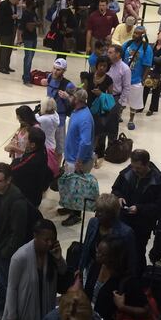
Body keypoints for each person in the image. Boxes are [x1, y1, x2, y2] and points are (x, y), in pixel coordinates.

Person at [0, 163, 29, 315]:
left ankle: (10, 310)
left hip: (4, 248)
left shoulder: (17, 202)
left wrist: (5, 252)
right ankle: (1, 300)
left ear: (8, 180)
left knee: (8, 281)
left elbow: (17, 234)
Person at [3, 219, 68, 320]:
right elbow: (12, 288)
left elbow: (63, 271)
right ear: (35, 236)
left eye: (52, 240)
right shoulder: (20, 257)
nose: (50, 243)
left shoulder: (51, 253)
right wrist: (12, 316)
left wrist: (59, 259)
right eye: (46, 240)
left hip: (46, 308)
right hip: (25, 312)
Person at [111, 149, 161, 270]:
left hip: (142, 225)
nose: (134, 170)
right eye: (133, 166)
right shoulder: (127, 172)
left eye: (138, 168)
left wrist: (139, 209)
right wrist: (119, 197)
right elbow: (115, 188)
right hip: (123, 220)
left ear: (147, 164)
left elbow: (159, 206)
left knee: (137, 253)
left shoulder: (158, 181)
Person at [90, 236, 150, 320]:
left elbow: (146, 311)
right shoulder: (96, 266)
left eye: (101, 254)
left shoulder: (128, 281)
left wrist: (123, 307)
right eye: (97, 251)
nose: (97, 255)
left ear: (113, 258)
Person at [79, 193, 138, 279]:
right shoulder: (93, 222)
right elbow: (86, 248)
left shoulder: (126, 233)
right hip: (91, 269)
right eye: (97, 210)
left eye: (101, 212)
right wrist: (80, 269)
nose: (97, 214)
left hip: (112, 276)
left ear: (112, 214)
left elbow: (131, 262)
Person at [61, 88, 95, 226]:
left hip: (77, 160)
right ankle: (69, 207)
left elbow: (86, 142)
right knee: (70, 185)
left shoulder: (85, 118)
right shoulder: (77, 112)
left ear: (78, 100)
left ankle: (76, 214)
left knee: (77, 188)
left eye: (72, 97)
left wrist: (79, 160)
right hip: (71, 156)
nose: (70, 98)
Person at [40, 58, 77, 159]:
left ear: (64, 71)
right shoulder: (50, 77)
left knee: (59, 147)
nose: (55, 71)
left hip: (59, 118)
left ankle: (57, 169)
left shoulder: (68, 85)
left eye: (58, 70)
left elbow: (77, 99)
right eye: (54, 68)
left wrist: (68, 97)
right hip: (47, 115)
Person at [86, 56, 119, 163]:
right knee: (89, 131)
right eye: (100, 65)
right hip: (89, 108)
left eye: (105, 66)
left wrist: (101, 94)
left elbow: (111, 97)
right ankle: (87, 152)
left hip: (101, 110)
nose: (102, 68)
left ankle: (97, 154)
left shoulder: (109, 80)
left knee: (98, 133)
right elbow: (84, 90)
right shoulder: (90, 76)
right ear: (97, 65)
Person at [11, 127, 52, 207]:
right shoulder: (41, 149)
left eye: (25, 139)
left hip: (28, 198)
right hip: (34, 192)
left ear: (32, 144)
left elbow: (13, 169)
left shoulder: (32, 160)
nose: (23, 141)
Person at [121, 26, 153, 130]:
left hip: (136, 80)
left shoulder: (146, 48)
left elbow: (147, 65)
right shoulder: (128, 44)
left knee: (134, 102)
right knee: (121, 100)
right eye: (134, 33)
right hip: (124, 78)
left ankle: (131, 120)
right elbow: (120, 56)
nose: (134, 35)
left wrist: (143, 79)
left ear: (142, 35)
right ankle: (119, 115)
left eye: (137, 33)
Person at [143, 29, 161, 116]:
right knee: (146, 89)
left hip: (160, 72)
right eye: (159, 33)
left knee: (156, 91)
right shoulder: (153, 45)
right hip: (151, 70)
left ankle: (152, 109)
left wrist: (152, 58)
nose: (159, 35)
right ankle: (141, 106)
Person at [0, 0, 21, 74]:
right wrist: (11, 17)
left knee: (10, 48)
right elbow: (0, 18)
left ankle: (7, 66)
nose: (16, 4)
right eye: (16, 1)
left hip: (12, 29)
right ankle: (2, 67)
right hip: (4, 30)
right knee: (4, 49)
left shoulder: (13, 5)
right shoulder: (3, 5)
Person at [107, 44, 132, 119]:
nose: (108, 54)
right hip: (103, 96)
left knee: (112, 121)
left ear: (118, 54)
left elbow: (126, 87)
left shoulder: (125, 69)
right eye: (108, 52)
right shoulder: (106, 65)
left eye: (110, 53)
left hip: (115, 98)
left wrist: (121, 103)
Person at [21, 0, 41, 85]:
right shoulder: (25, 14)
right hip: (27, 38)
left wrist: (35, 24)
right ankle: (26, 79)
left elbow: (38, 23)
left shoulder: (34, 13)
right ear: (30, 5)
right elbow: (28, 27)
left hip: (34, 37)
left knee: (31, 58)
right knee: (28, 58)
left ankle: (26, 74)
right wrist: (35, 24)